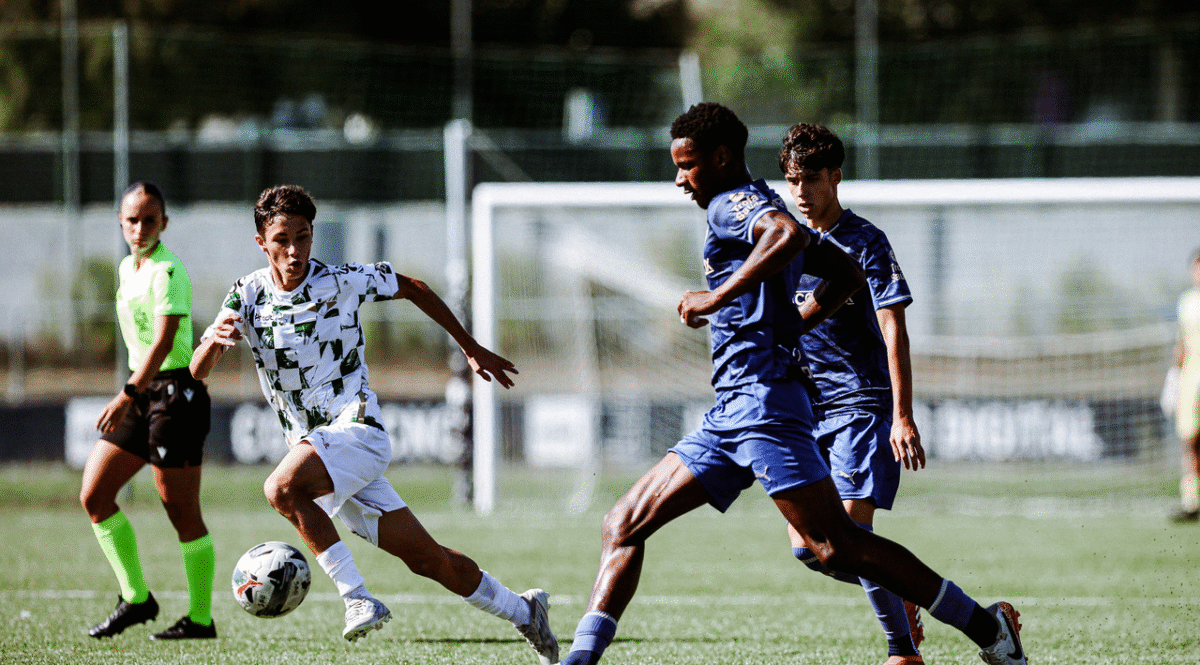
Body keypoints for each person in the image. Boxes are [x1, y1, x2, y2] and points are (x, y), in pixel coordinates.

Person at [559, 103, 1028, 665]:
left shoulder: (732, 206)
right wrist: (787, 324)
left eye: (687, 166)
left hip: (769, 406)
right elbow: (846, 275)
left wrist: (715, 297)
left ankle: (984, 627)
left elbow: (786, 237)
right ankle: (579, 661)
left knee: (838, 546)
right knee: (625, 522)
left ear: (721, 158)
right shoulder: (767, 207)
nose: (680, 179)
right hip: (733, 410)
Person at [189, 185, 558, 663]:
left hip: (357, 430)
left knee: (281, 488)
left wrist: (469, 345)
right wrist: (212, 344)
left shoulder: (341, 280)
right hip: (317, 447)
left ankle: (356, 596)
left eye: (303, 236)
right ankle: (525, 610)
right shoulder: (246, 293)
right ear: (262, 241)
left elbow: (414, 287)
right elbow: (196, 372)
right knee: (428, 560)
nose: (295, 250)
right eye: (282, 239)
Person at [779, 123, 926, 664]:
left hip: (862, 404)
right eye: (792, 179)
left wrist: (902, 415)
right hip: (806, 412)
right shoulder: (785, 243)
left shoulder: (866, 242)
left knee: (851, 534)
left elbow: (894, 328)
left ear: (836, 177)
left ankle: (902, 651)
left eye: (811, 178)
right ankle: (905, 590)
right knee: (808, 548)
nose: (800, 190)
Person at [80, 181, 217, 640]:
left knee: (181, 512)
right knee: (95, 496)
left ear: (164, 223)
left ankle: (200, 619)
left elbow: (162, 340)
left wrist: (126, 394)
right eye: (131, 219)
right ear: (121, 221)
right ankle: (137, 599)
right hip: (143, 391)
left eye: (149, 220)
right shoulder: (126, 267)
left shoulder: (168, 271)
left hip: (175, 395)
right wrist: (135, 392)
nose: (140, 228)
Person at [1164, 248, 1200, 523]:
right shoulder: (1187, 302)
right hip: (1190, 380)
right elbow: (1182, 345)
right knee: (1190, 441)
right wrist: (1173, 380)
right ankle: (1191, 501)